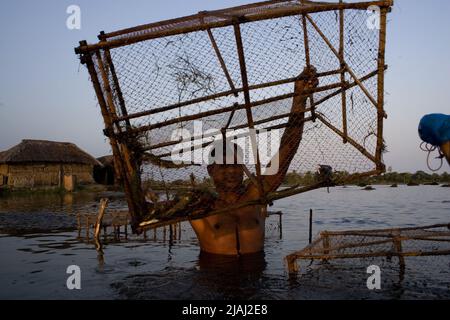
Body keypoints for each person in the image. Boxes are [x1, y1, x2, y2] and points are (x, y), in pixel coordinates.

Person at [189, 66, 319, 256]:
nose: (231, 171)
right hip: (215, 280)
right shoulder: (200, 207)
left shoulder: (256, 195)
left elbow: (287, 149)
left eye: (236, 165)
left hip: (258, 282)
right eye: (224, 166)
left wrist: (299, 98)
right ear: (211, 170)